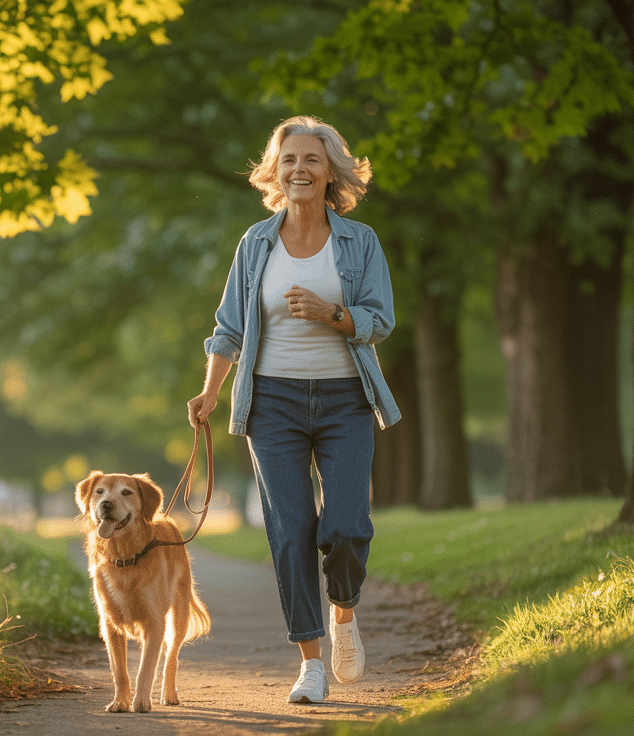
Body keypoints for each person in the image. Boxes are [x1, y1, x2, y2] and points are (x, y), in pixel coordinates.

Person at [187, 115, 400, 704]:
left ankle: (345, 613)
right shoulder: (255, 243)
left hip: (346, 400)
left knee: (347, 526)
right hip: (272, 402)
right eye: (289, 160)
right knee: (290, 532)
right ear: (274, 172)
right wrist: (209, 393)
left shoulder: (361, 242)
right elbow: (228, 327)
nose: (299, 169)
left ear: (331, 170)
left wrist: (333, 313)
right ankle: (310, 662)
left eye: (311, 159)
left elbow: (380, 319)